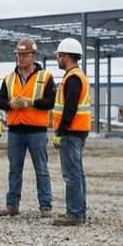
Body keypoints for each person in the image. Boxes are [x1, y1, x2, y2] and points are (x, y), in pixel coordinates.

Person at [0, 38, 56, 218]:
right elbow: (0, 101)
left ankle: (46, 206)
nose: (20, 59)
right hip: (15, 130)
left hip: (36, 131)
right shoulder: (9, 78)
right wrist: (10, 104)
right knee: (14, 170)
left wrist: (30, 103)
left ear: (33, 56)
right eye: (18, 55)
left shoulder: (45, 77)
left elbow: (50, 101)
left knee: (42, 170)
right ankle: (12, 205)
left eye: (24, 55)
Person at [51, 38, 91, 226]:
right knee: (77, 172)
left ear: (66, 57)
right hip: (78, 130)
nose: (57, 59)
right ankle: (79, 212)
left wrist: (60, 131)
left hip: (72, 131)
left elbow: (70, 108)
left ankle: (74, 214)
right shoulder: (76, 76)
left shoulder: (73, 78)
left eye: (59, 56)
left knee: (72, 174)